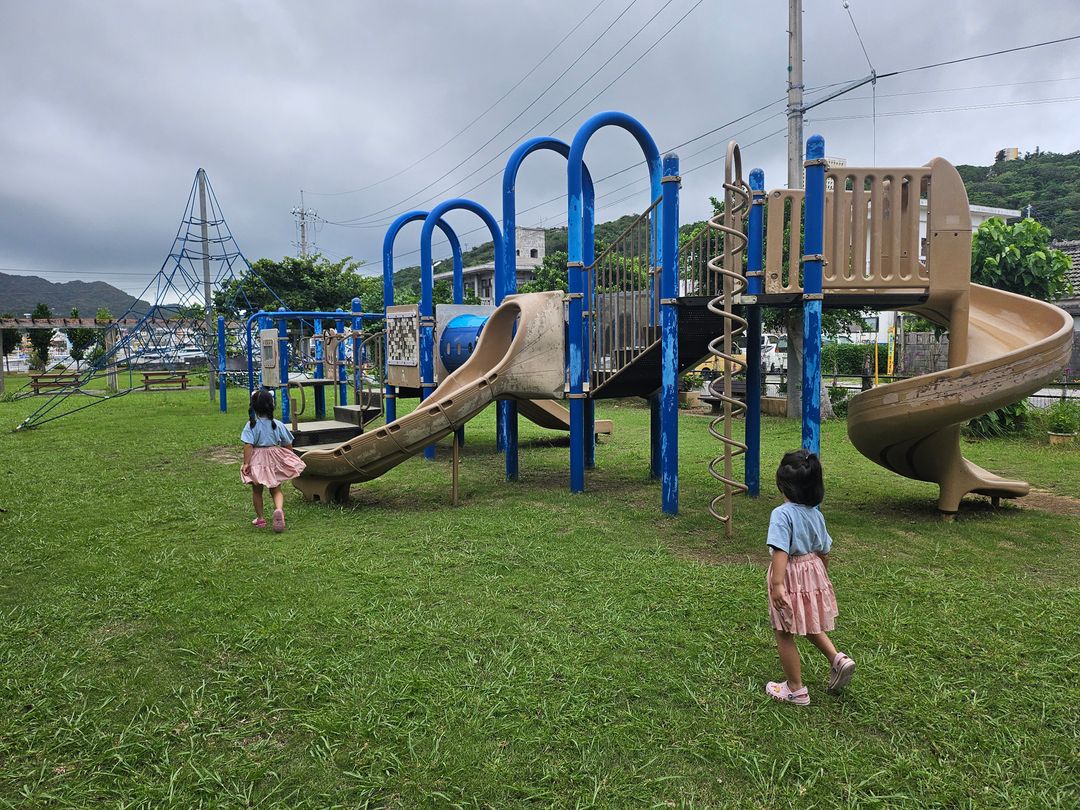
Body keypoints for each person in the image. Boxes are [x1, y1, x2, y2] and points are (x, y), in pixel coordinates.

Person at [764, 449, 855, 705]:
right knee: (808, 622)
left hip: (791, 575)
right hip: (813, 572)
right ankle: (838, 659)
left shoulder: (781, 514)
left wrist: (778, 584)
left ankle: (795, 689)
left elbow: (781, 550)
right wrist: (822, 576)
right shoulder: (816, 514)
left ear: (782, 484)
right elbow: (824, 550)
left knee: (784, 631)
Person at [240, 389, 306, 533]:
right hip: (273, 458)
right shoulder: (277, 424)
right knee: (276, 489)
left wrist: (246, 463)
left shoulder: (251, 425)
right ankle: (278, 510)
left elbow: (248, 446)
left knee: (257, 491)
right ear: (272, 405)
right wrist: (289, 457)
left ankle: (260, 518)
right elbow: (288, 443)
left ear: (253, 407)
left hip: (257, 459)